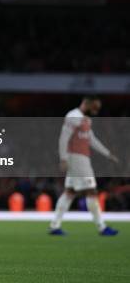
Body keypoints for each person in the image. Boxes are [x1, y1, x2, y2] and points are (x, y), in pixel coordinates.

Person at [49, 95, 119, 236]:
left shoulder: (86, 119)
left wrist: (107, 153)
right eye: (94, 107)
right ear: (86, 103)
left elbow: (91, 139)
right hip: (77, 158)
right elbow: (63, 137)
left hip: (80, 157)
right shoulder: (73, 116)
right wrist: (63, 158)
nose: (96, 111)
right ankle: (101, 227)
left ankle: (54, 226)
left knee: (70, 192)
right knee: (92, 191)